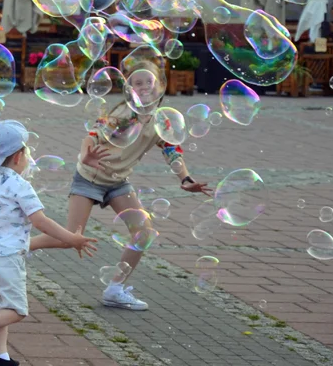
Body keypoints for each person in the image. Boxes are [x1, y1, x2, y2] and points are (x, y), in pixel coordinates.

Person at [28, 58, 213, 311]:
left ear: (159, 86)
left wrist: (185, 178)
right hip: (89, 179)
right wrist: (86, 155)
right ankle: (18, 247)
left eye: (149, 81)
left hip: (117, 182)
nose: (144, 86)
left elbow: (171, 150)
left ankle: (115, 289)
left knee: (144, 233)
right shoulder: (122, 115)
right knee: (70, 238)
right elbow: (91, 135)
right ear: (130, 89)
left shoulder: (161, 121)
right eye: (138, 83)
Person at [0, 121, 98, 366]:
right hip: (6, 260)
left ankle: (0, 358)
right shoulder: (20, 185)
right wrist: (72, 238)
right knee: (15, 310)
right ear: (19, 156)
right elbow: (40, 221)